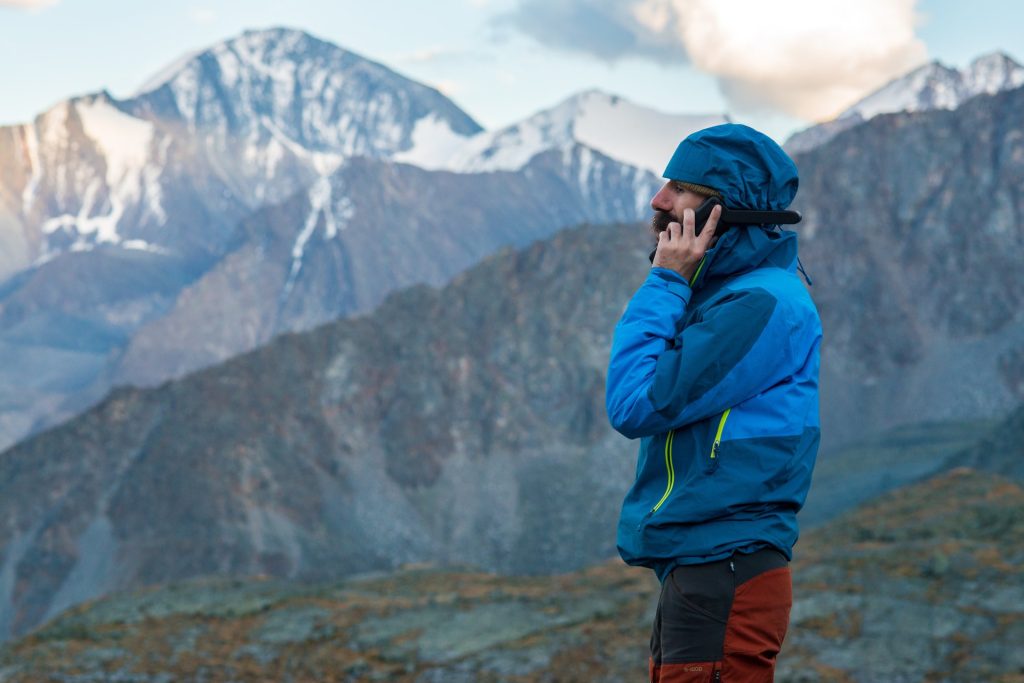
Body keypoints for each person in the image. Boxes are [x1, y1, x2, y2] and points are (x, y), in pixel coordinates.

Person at [605, 123, 822, 682]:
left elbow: (634, 403)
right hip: (706, 568)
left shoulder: (757, 305)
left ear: (723, 211)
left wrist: (665, 282)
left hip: (724, 569)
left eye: (681, 187)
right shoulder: (733, 293)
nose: (659, 200)